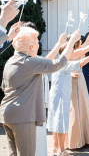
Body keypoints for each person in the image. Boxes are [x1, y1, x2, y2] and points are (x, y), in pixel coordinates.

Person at [0, 26, 80, 156]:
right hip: (22, 116)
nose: (38, 45)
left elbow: (44, 62)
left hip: (7, 115)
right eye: (37, 42)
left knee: (13, 154)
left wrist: (60, 44)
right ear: (31, 47)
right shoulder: (28, 62)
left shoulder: (12, 61)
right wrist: (71, 42)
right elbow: (57, 64)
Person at [47, 43, 89, 156]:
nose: (73, 53)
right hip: (62, 96)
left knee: (55, 121)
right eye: (71, 51)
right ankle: (61, 151)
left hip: (54, 96)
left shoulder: (57, 61)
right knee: (61, 123)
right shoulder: (64, 63)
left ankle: (55, 147)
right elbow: (81, 63)